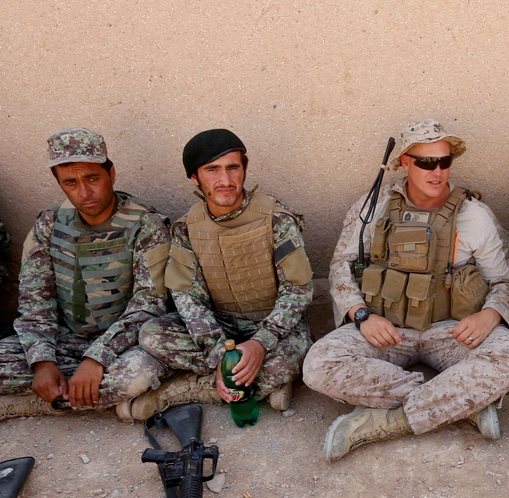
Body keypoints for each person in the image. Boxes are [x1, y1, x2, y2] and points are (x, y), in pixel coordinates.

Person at [303, 119, 509, 462]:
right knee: (319, 365)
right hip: (386, 329)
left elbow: (508, 281)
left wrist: (491, 314)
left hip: (451, 329)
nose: (437, 171)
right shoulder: (372, 209)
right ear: (406, 162)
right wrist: (361, 315)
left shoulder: (474, 215)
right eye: (426, 162)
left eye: (444, 161)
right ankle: (460, 404)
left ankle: (386, 420)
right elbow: (341, 266)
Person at [132, 129, 313, 420]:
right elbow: (187, 297)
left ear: (245, 169)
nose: (225, 181)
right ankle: (259, 385)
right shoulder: (187, 228)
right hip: (220, 327)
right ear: (195, 177)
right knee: (152, 335)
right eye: (212, 170)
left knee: (303, 353)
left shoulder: (277, 219)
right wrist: (219, 354)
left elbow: (297, 291)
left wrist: (260, 343)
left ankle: (192, 388)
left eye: (233, 168)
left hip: (271, 326)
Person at [0, 127, 171, 421]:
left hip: (124, 344)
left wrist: (97, 357)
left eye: (92, 178)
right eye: (71, 182)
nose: (84, 192)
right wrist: (42, 361)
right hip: (67, 340)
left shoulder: (146, 226)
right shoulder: (50, 225)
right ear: (60, 184)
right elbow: (35, 302)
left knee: (135, 376)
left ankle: (33, 402)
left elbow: (149, 306)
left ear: (111, 174)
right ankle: (104, 400)